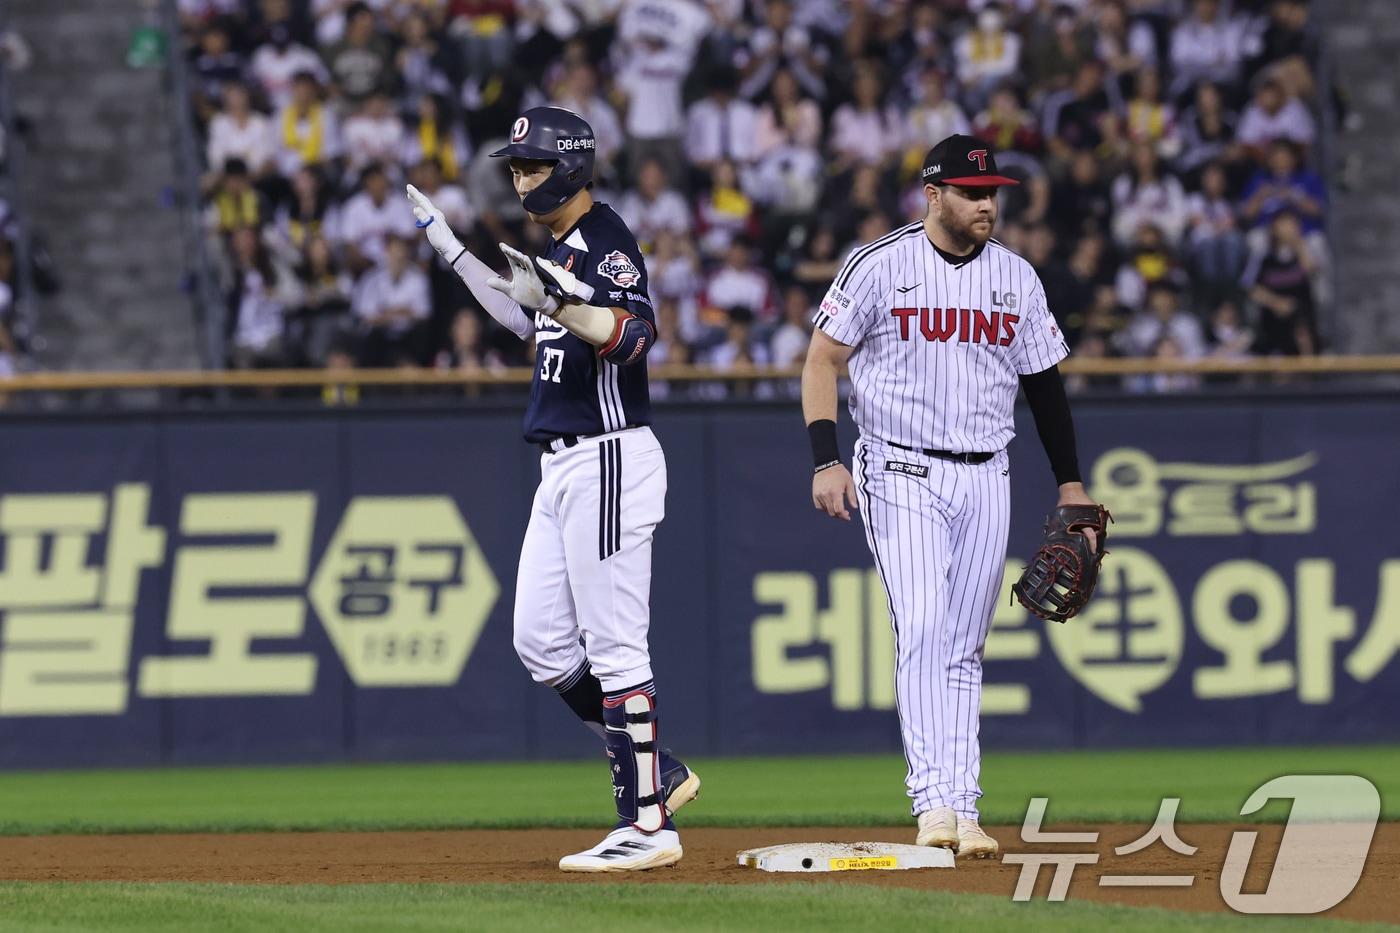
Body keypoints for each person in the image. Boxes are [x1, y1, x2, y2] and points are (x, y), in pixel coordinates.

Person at [406, 106, 698, 872]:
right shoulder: (563, 247)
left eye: (531, 165)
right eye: (516, 165)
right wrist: (453, 253)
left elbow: (637, 336)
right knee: (538, 640)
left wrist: (562, 300)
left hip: (607, 454)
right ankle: (658, 771)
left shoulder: (604, 238)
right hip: (562, 463)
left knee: (614, 640)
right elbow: (526, 319)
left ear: (569, 167)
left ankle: (647, 824)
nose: (519, 176)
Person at [800, 135, 1099, 858]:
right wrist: (826, 459)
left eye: (993, 192)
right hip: (897, 466)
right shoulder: (880, 264)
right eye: (972, 192)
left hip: (986, 470)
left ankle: (963, 809)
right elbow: (822, 358)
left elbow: (1045, 388)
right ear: (933, 196)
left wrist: (1071, 483)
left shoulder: (1017, 278)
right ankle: (932, 800)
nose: (987, 203)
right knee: (927, 625)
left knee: (965, 642)